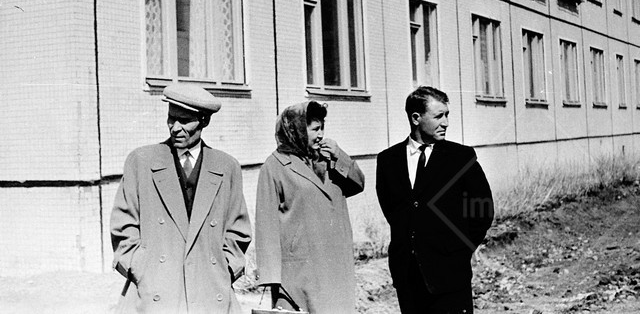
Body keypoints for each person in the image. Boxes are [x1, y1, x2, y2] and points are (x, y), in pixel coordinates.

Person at [110, 83, 251, 314]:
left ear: (204, 121)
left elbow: (238, 229)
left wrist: (224, 267)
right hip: (155, 289)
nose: (175, 128)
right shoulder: (142, 162)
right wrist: (141, 267)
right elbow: (123, 226)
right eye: (171, 119)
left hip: (209, 289)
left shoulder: (227, 167)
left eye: (184, 121)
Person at [376, 86, 494, 314]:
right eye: (439, 116)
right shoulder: (388, 160)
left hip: (450, 276)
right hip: (408, 277)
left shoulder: (461, 158)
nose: (446, 123)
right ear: (416, 118)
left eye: (447, 115)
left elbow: (482, 211)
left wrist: (459, 250)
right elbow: (393, 212)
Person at [254, 101, 365, 314]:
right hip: (298, 271)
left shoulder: (329, 160)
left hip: (335, 264)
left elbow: (357, 185)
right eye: (315, 129)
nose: (321, 135)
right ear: (297, 131)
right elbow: (265, 225)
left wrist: (340, 155)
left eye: (322, 127)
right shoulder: (274, 166)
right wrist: (270, 278)